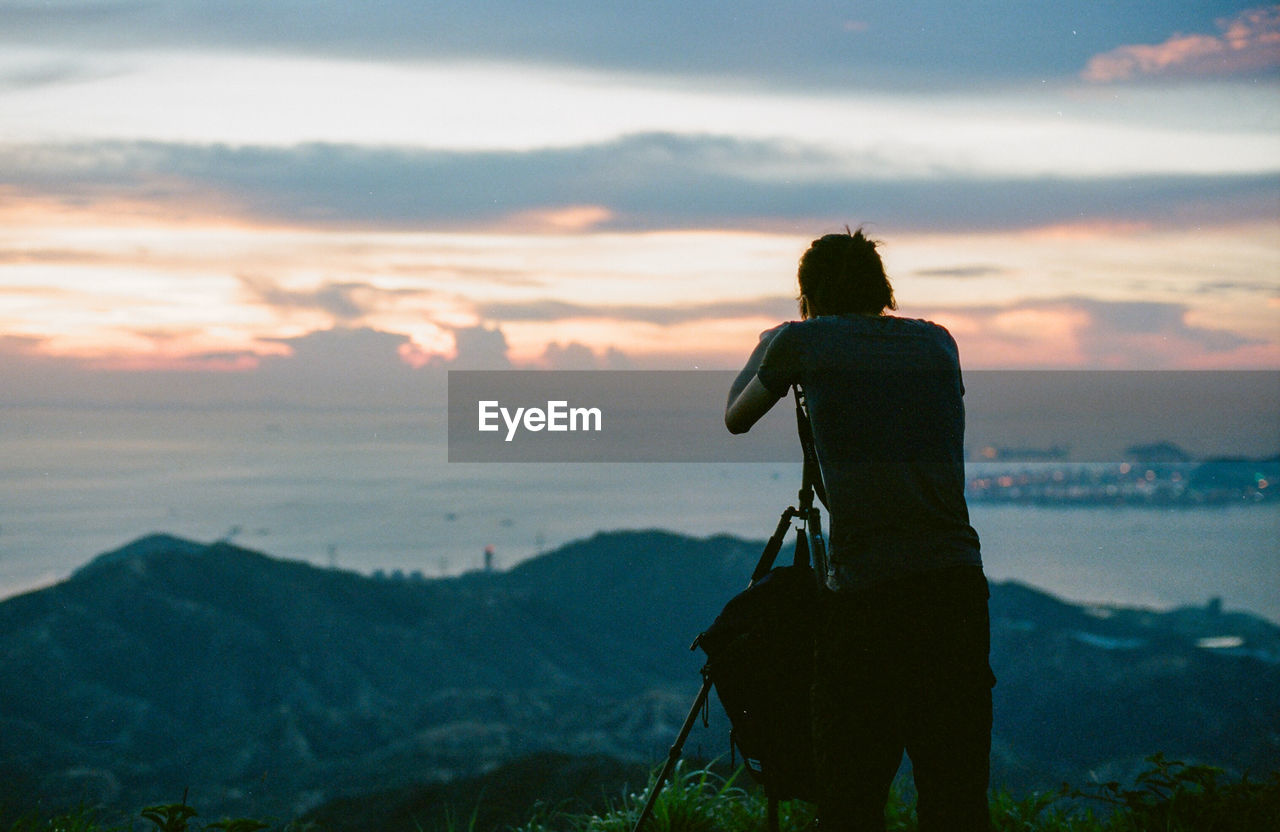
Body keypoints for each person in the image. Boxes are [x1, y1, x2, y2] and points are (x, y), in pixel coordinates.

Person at [724, 228, 993, 832]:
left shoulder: (800, 342)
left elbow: (736, 415)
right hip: (954, 590)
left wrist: (770, 344)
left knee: (850, 795)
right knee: (956, 793)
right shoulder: (938, 344)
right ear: (881, 286)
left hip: (867, 599)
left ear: (809, 294)